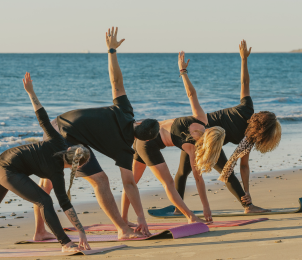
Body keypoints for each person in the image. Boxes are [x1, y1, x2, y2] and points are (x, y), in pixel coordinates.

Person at [33, 27, 159, 241]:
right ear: (142, 140)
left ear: (138, 120)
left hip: (56, 124)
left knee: (48, 180)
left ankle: (39, 232)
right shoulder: (125, 148)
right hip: (68, 137)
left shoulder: (125, 111)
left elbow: (116, 81)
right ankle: (122, 229)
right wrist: (140, 217)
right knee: (100, 180)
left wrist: (111, 51)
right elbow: (129, 184)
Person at [0, 73, 91, 256]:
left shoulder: (58, 141)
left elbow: (43, 119)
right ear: (77, 166)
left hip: (0, 161)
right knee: (44, 200)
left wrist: (31, 92)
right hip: (8, 169)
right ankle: (65, 243)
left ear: (71, 149)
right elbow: (64, 203)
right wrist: (81, 231)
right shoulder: (57, 173)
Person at [174, 40, 282, 214]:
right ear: (263, 132)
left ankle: (178, 209)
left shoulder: (248, 115)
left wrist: (244, 60)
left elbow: (244, 84)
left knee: (183, 171)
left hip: (193, 129)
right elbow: (245, 83)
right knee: (221, 171)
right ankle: (248, 207)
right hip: (206, 136)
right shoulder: (248, 135)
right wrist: (244, 60)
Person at [121, 51, 226, 223]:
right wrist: (206, 206)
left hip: (141, 135)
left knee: (131, 182)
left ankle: (123, 219)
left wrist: (183, 72)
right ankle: (190, 217)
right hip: (148, 144)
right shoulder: (192, 147)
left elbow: (191, 94)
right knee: (168, 183)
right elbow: (198, 179)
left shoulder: (201, 119)